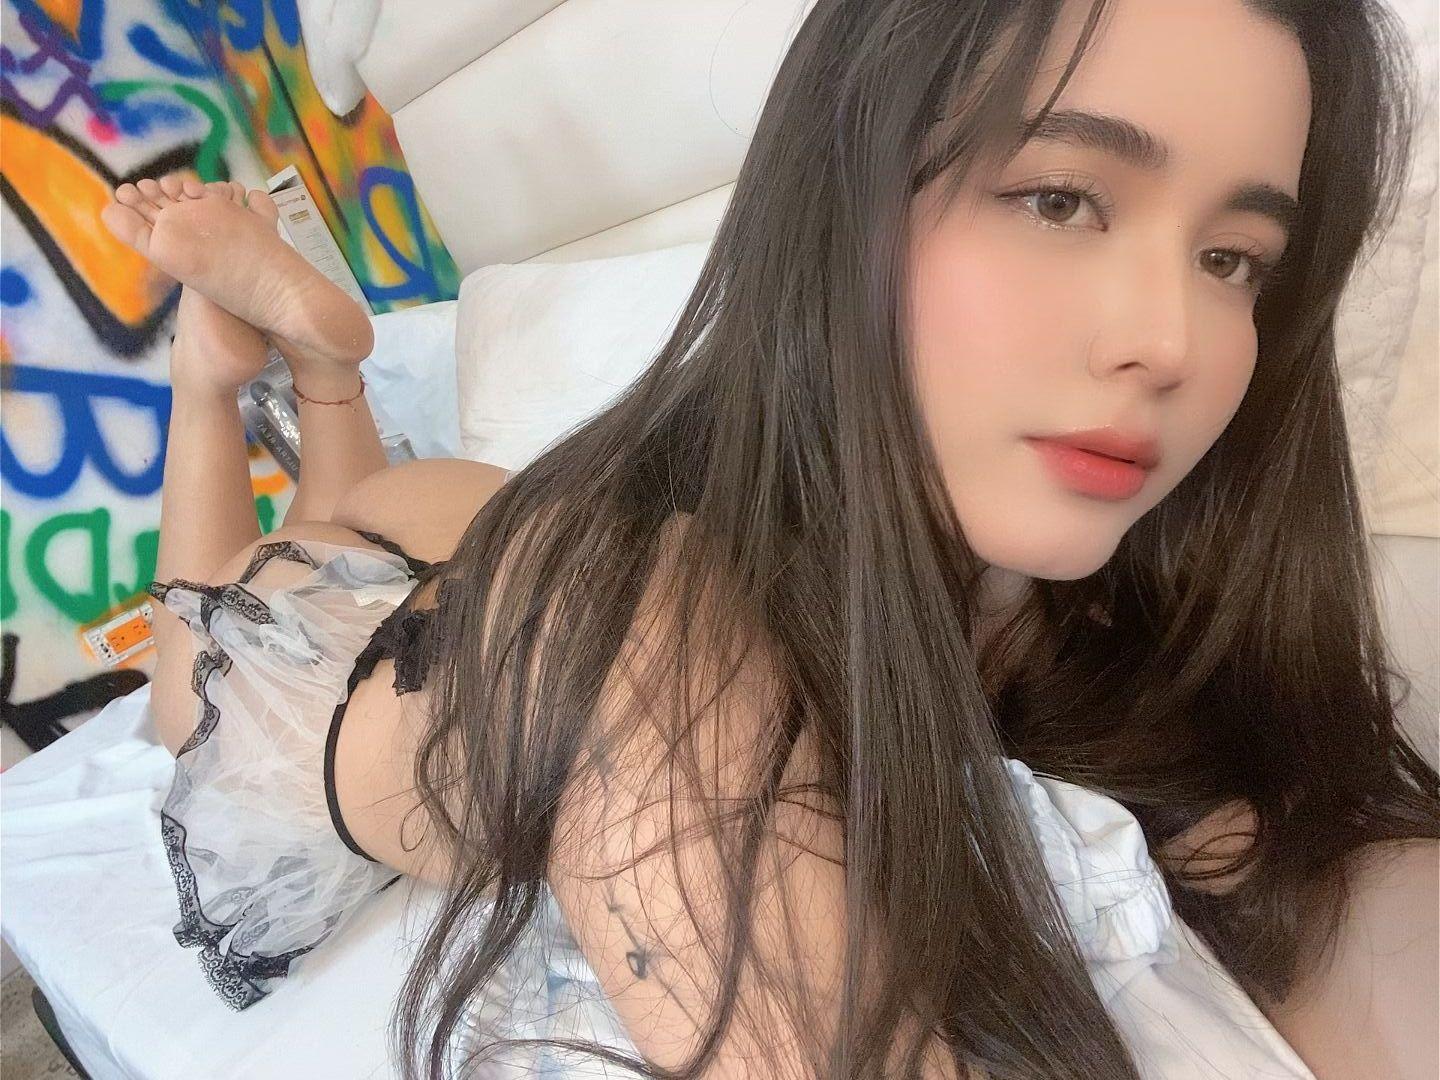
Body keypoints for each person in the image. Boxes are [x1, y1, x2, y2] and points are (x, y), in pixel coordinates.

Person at [97, 0, 1439, 1076]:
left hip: (490, 522)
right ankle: (216, 378)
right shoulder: (648, 635)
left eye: (1233, 260)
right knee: (200, 650)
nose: (1173, 340)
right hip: (363, 658)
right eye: (1061, 198)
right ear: (838, 203)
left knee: (363, 517)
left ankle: (322, 376)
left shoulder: (1074, 608)